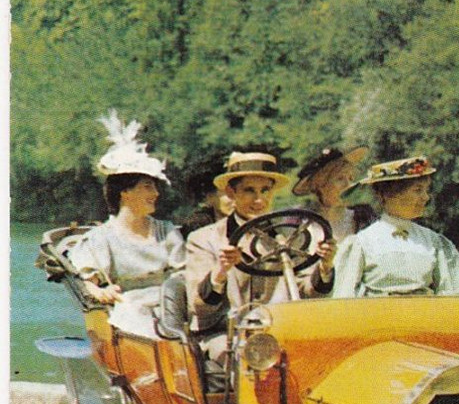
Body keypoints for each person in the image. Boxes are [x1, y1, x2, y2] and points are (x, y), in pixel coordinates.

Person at [185, 152, 336, 361]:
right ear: (231, 192)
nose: (259, 200)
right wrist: (220, 273)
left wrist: (325, 267)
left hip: (280, 330)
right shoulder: (204, 239)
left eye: (265, 190)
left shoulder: (287, 239)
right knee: (250, 357)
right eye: (249, 191)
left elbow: (308, 295)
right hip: (225, 335)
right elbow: (200, 309)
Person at [66, 111, 187, 336]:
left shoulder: (166, 231)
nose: (156, 193)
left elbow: (185, 275)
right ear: (125, 193)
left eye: (154, 186)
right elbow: (86, 282)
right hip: (131, 313)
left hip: (173, 308)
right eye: (147, 186)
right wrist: (99, 291)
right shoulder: (102, 238)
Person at [331, 156, 459, 297]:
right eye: (418, 190)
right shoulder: (362, 243)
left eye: (426, 190)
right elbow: (343, 298)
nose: (426, 197)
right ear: (387, 195)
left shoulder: (434, 242)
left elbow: (457, 294)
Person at [292, 144, 374, 240]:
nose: (348, 184)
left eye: (351, 178)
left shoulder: (363, 218)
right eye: (340, 179)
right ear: (320, 185)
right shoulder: (303, 223)